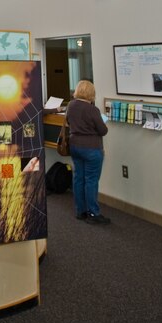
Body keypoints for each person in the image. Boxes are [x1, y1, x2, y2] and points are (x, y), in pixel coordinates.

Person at [66, 79, 110, 224]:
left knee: (78, 178)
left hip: (74, 146)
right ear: (91, 93)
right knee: (91, 180)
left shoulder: (70, 105)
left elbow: (68, 122)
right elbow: (103, 131)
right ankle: (93, 213)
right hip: (91, 148)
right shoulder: (92, 109)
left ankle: (81, 211)